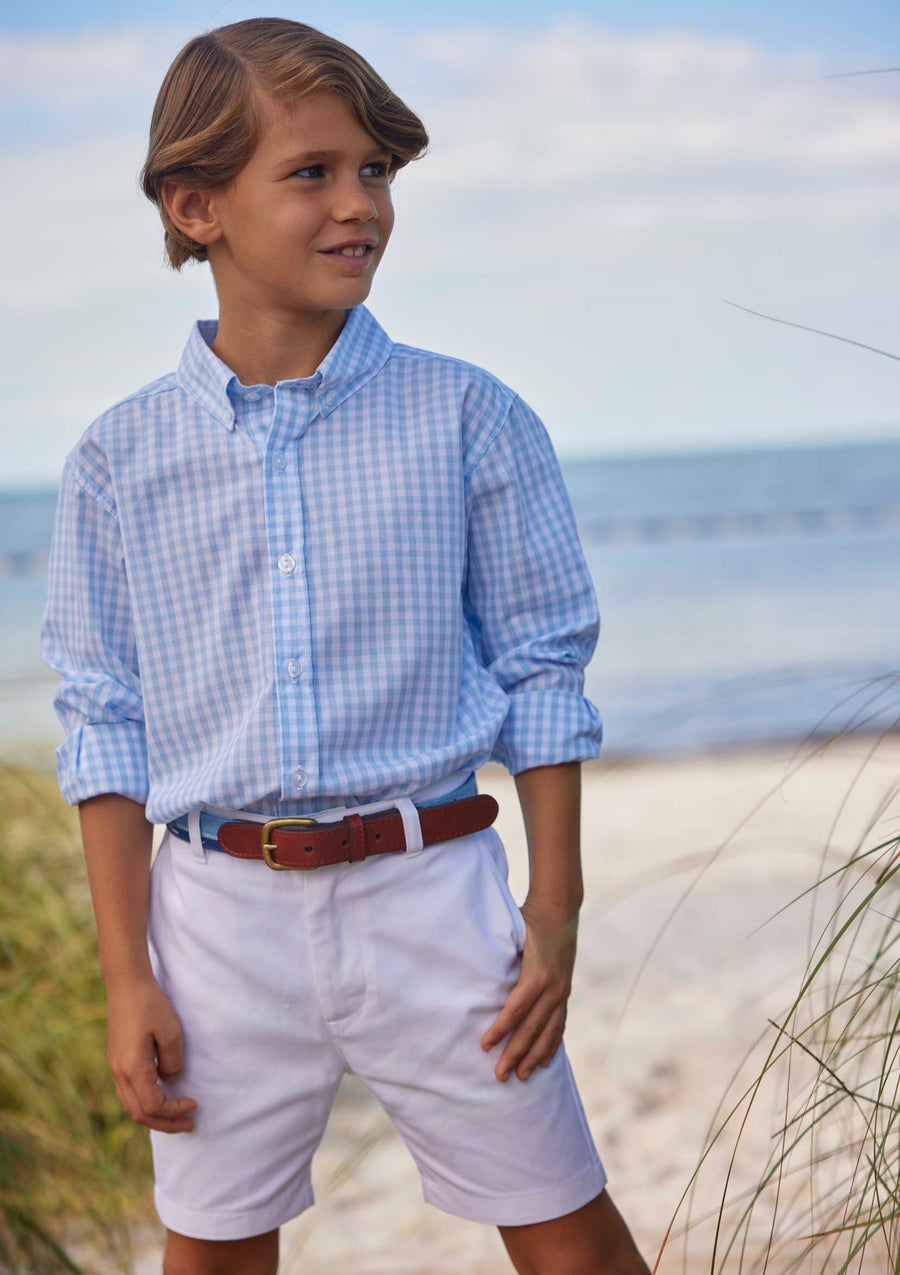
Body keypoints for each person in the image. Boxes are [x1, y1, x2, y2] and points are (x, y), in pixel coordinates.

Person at [40, 16, 651, 1275]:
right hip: (212, 920)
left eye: (373, 170)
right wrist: (126, 975)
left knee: (571, 1244)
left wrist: (554, 906)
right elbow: (105, 721)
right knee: (213, 1255)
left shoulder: (471, 418)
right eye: (311, 172)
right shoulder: (117, 460)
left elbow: (543, 668)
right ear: (197, 205)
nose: (358, 203)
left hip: (436, 898)